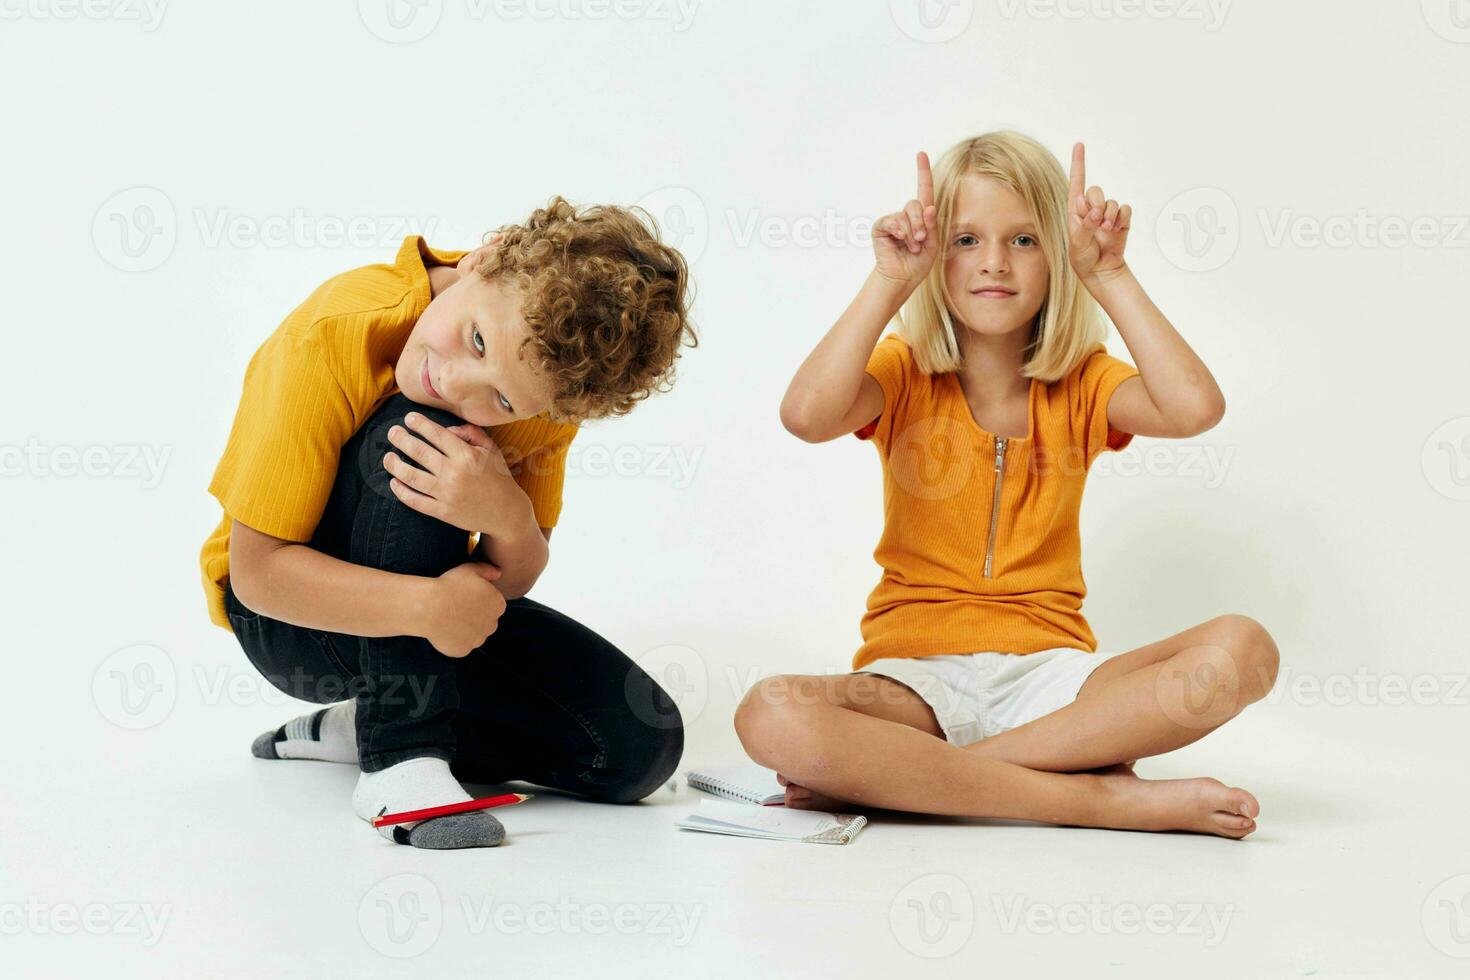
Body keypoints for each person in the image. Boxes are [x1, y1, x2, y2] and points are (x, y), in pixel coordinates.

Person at [737, 133, 1279, 838]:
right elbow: (805, 416)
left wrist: (1110, 275)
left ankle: (929, 782)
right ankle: (1096, 800)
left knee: (1244, 649)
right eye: (965, 239)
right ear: (937, 256)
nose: (993, 261)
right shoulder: (902, 373)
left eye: (1024, 239)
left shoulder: (1084, 381)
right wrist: (889, 281)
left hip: (1055, 682)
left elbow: (1193, 407)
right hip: (914, 686)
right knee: (769, 711)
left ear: (1059, 253)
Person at [200, 198, 696, 848]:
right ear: (484, 258)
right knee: (426, 428)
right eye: (478, 340)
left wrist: (506, 515)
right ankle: (399, 759)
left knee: (638, 746)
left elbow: (510, 582)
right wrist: (428, 605)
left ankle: (358, 725)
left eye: (506, 400)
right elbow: (258, 576)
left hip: (431, 619)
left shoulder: (549, 388)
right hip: (290, 620)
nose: (460, 384)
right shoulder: (333, 329)